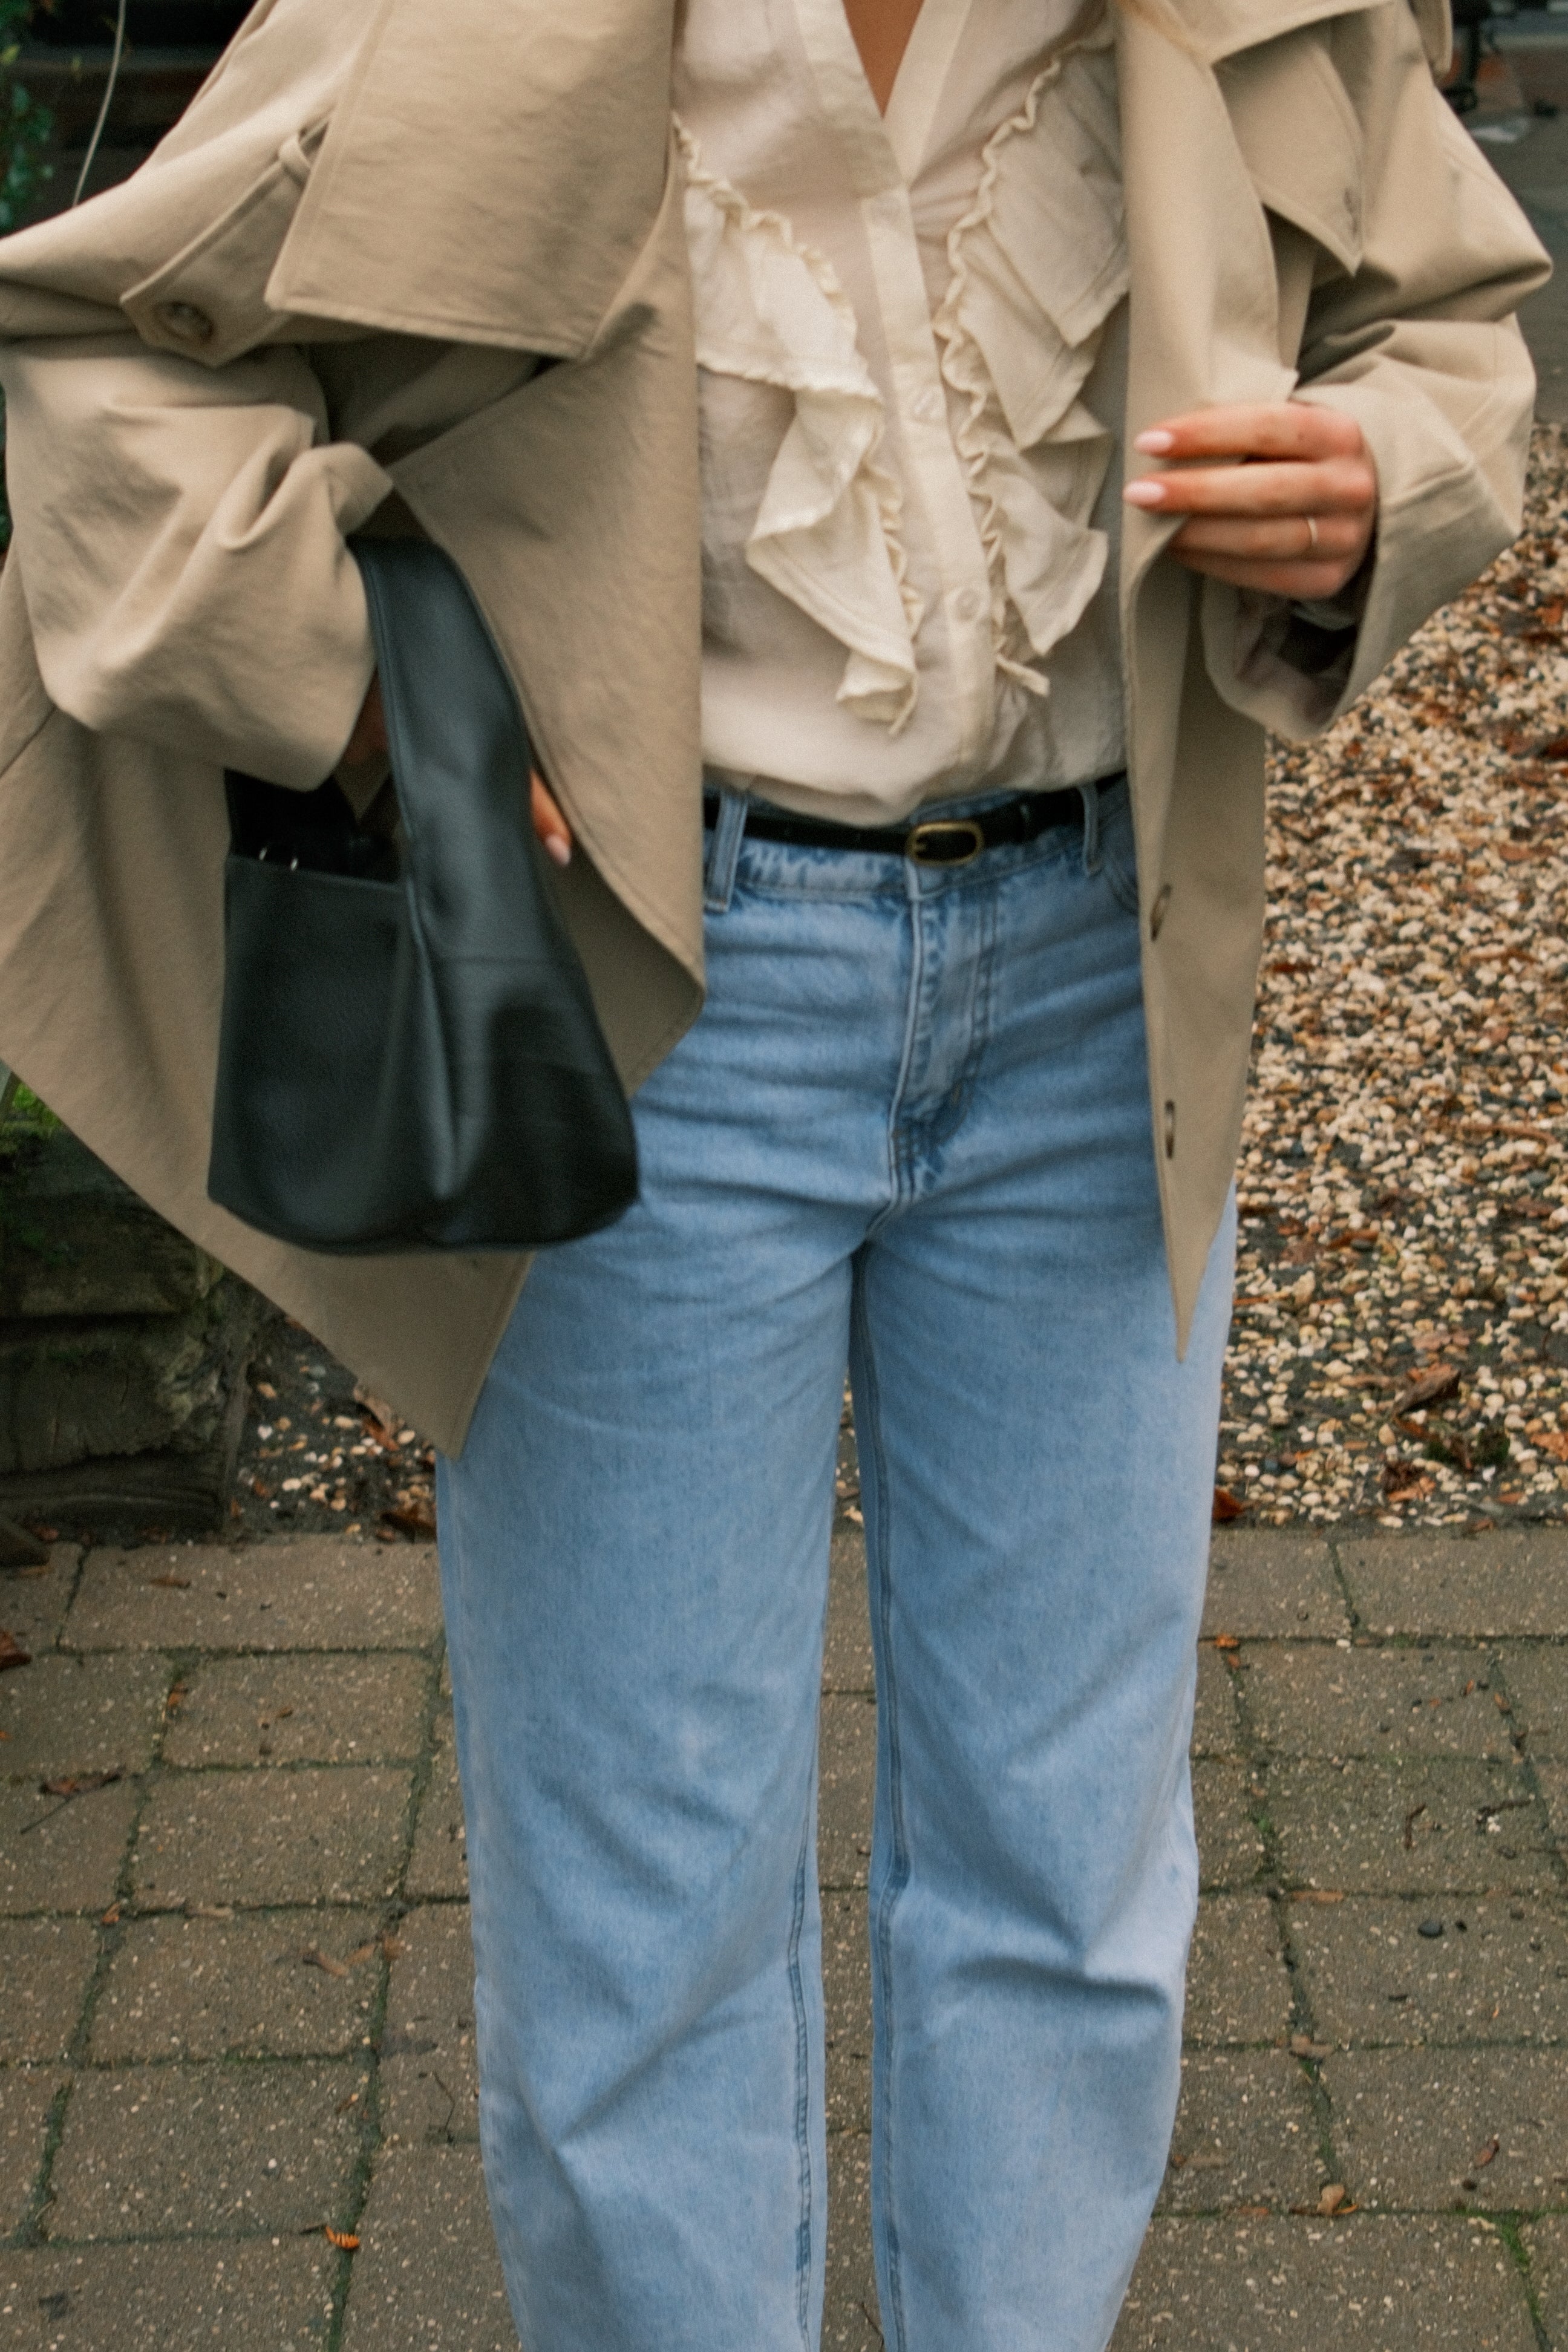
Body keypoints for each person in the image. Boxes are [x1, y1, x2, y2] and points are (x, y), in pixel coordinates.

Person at [0, 0, 1546, 2343]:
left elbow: (1449, 326)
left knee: (1072, 1881)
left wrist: (1378, 489)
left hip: (1101, 989)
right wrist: (372, 698)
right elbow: (107, 355)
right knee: (640, 1925)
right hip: (650, 1002)